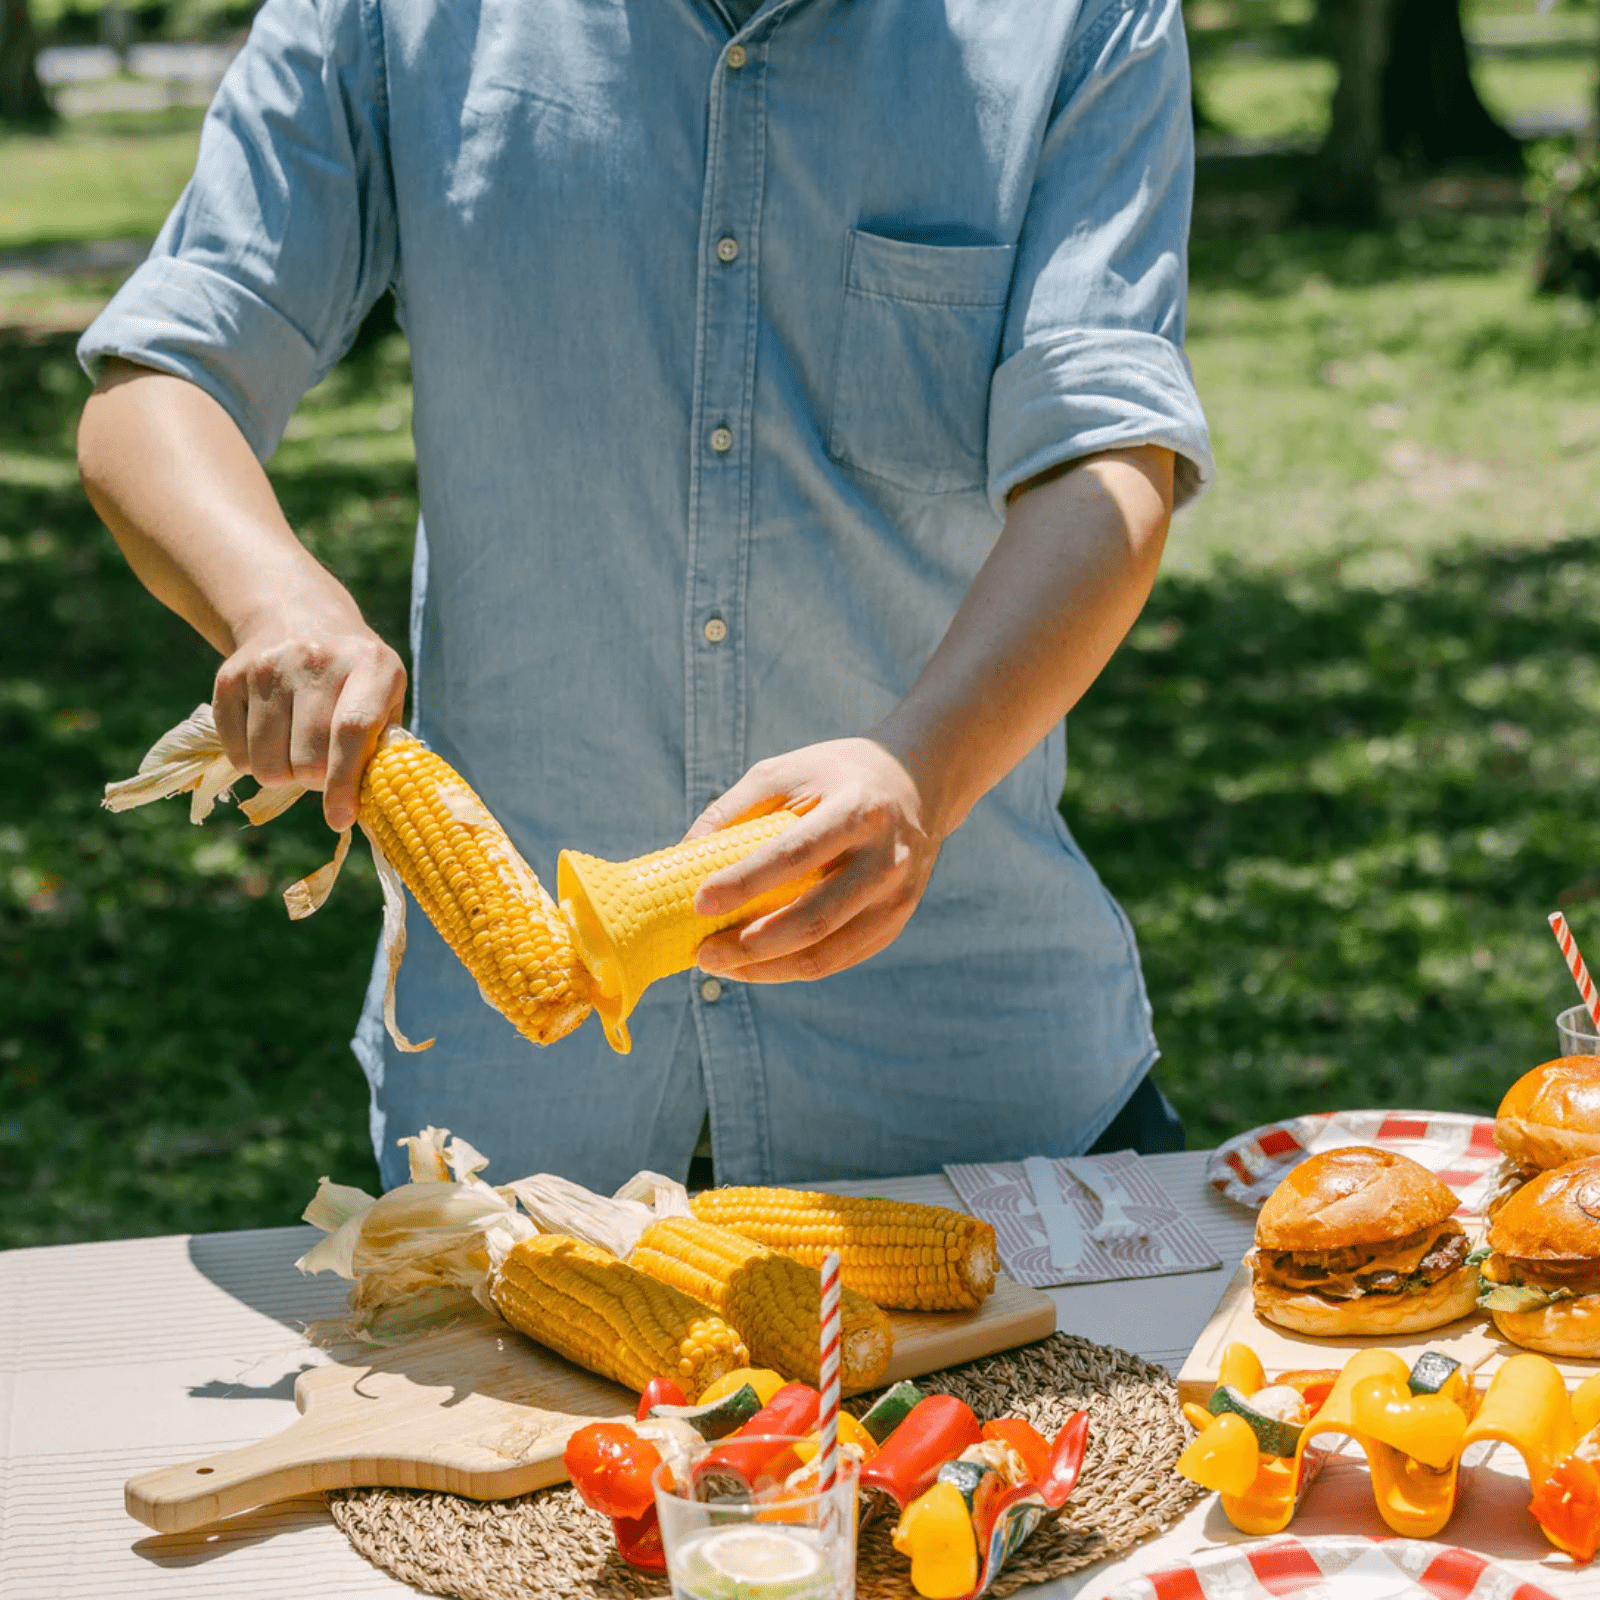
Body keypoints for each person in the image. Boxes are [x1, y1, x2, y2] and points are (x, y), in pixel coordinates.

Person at [76, 0, 1213, 1195]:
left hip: (980, 1095)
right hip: (518, 1131)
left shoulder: (1080, 20)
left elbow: (1108, 459)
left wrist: (924, 768)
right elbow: (164, 372)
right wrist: (275, 601)